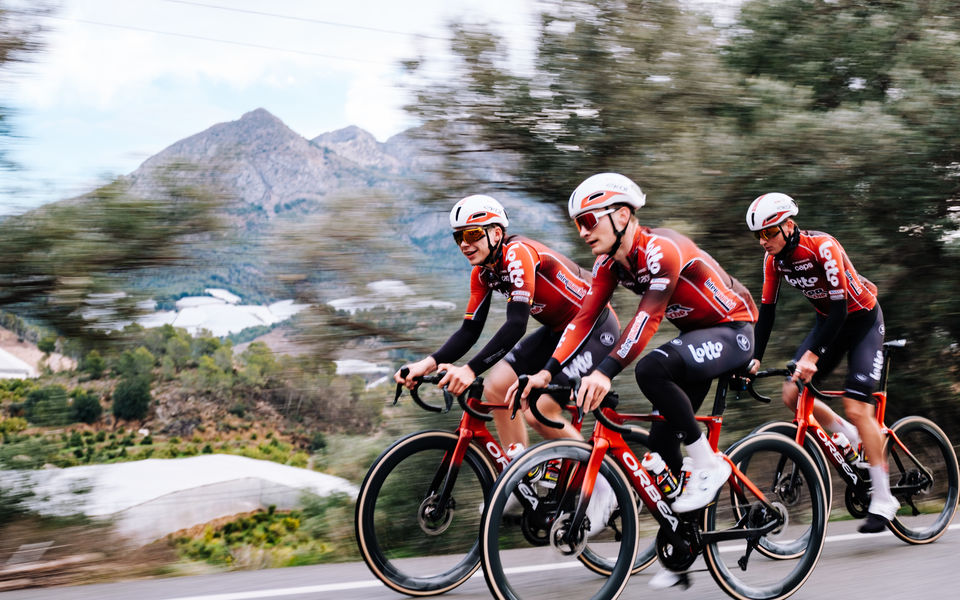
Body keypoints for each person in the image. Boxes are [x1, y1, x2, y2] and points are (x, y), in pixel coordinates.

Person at [513, 172, 758, 516]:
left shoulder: (661, 250)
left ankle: (707, 463)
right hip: (696, 340)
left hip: (733, 330)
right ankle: (681, 549)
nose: (582, 232)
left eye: (588, 221)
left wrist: (604, 372)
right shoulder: (608, 265)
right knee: (661, 446)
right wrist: (546, 371)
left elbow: (648, 317)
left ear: (622, 215)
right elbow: (583, 320)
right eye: (577, 225)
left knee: (651, 369)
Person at [395, 194, 621, 525]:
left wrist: (469, 369)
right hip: (558, 330)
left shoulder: (518, 254)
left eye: (472, 234)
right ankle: (520, 476)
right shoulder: (483, 273)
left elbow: (516, 324)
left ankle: (603, 488)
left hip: (593, 327)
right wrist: (425, 364)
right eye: (459, 237)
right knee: (497, 386)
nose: (464, 244)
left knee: (540, 409)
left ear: (496, 234)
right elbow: (469, 332)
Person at [745, 192, 898, 534]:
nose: (763, 241)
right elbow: (766, 315)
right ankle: (849, 436)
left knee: (857, 406)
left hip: (861, 321)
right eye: (758, 235)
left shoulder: (823, 247)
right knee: (792, 394)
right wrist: (752, 358)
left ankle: (885, 498)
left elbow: (841, 309)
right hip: (827, 324)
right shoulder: (773, 262)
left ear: (788, 225)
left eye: (769, 232)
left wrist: (812, 356)